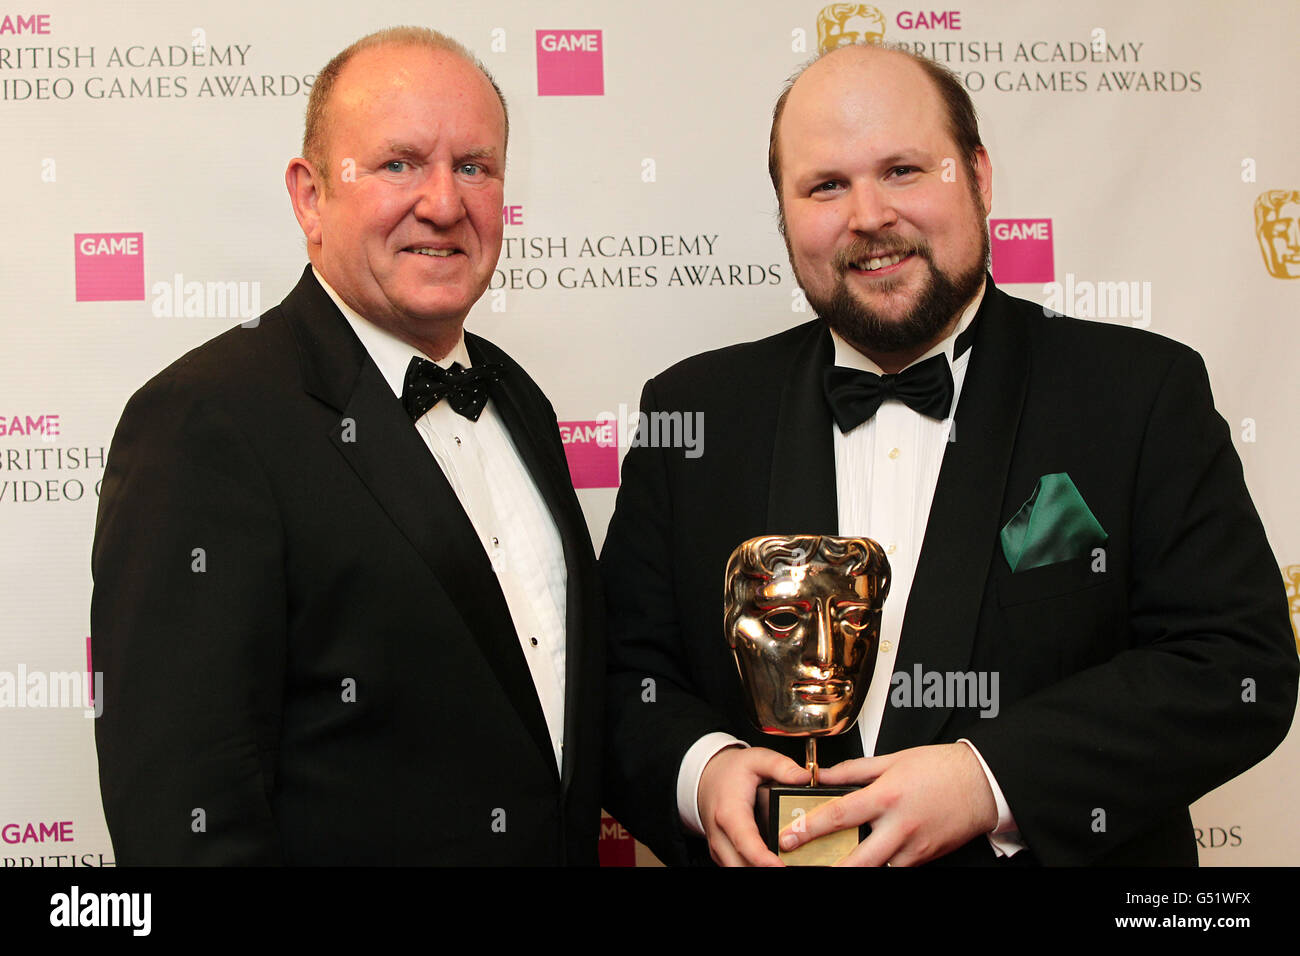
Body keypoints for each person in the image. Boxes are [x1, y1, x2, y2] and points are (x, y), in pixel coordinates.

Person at [601, 43, 1298, 866]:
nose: (868, 215)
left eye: (903, 170)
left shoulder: (1139, 394)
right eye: (826, 185)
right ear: (784, 212)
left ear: (978, 176)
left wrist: (990, 780)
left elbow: (1231, 669)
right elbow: (617, 680)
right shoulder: (695, 410)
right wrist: (700, 769)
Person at [92, 27, 603, 865]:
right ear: (310, 195)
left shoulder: (519, 399)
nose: (444, 203)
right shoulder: (205, 421)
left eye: (474, 166)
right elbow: (186, 815)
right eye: (399, 163)